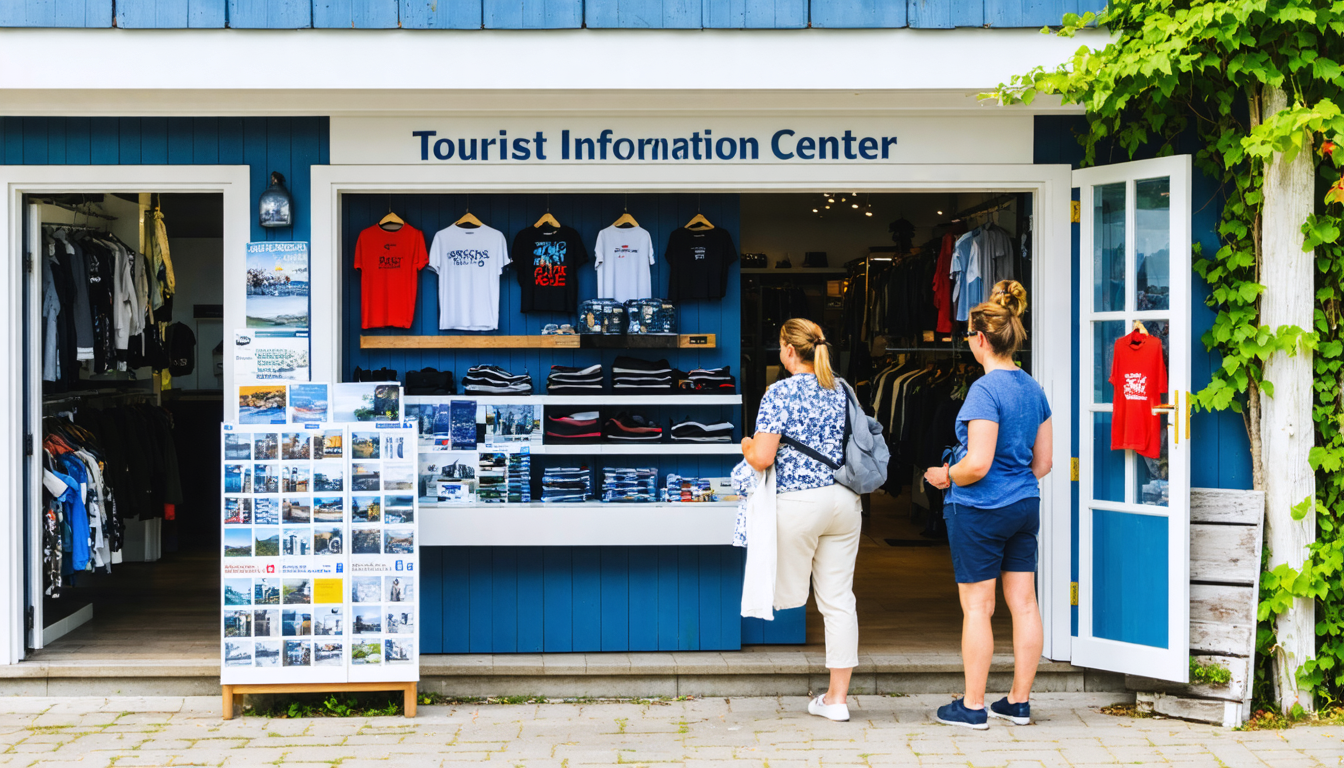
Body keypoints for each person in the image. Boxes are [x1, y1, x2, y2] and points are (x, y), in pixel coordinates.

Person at [923, 280, 1053, 730]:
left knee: (978, 607)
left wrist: (945, 476)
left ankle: (973, 706)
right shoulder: (1032, 388)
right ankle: (1018, 702)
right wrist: (1013, 483)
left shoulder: (984, 390)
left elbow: (976, 465)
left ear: (980, 338)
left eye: (968, 336)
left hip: (979, 509)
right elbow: (1044, 462)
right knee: (1024, 604)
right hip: (1024, 505)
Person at [741, 318, 861, 723]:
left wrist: (745, 444)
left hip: (798, 502)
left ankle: (782, 602)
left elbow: (762, 456)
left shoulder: (778, 392)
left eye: (780, 346)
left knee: (782, 584)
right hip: (844, 501)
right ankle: (837, 699)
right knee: (839, 600)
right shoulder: (842, 389)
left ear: (790, 351)